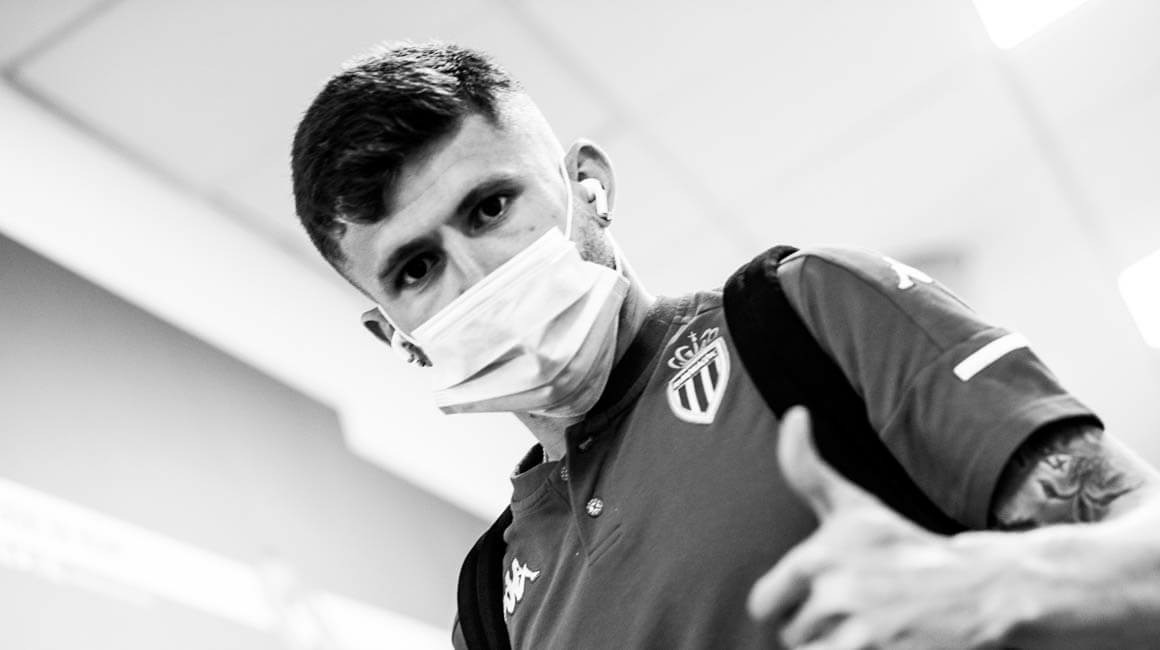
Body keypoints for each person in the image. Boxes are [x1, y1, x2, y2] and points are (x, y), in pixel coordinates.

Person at [289, 41, 1160, 649]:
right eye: (415, 268)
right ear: (395, 336)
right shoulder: (489, 605)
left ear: (587, 186)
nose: (478, 276)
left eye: (490, 207)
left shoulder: (805, 313)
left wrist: (1000, 587)